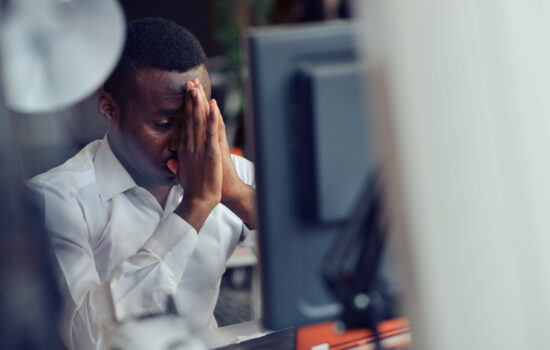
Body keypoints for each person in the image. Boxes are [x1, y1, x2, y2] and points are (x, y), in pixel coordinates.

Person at [28, 18, 257, 350]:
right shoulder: (57, 200)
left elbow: (315, 263)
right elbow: (87, 338)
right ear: (109, 108)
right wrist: (193, 208)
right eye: (165, 123)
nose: (185, 141)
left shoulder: (230, 176)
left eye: (197, 119)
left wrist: (234, 193)